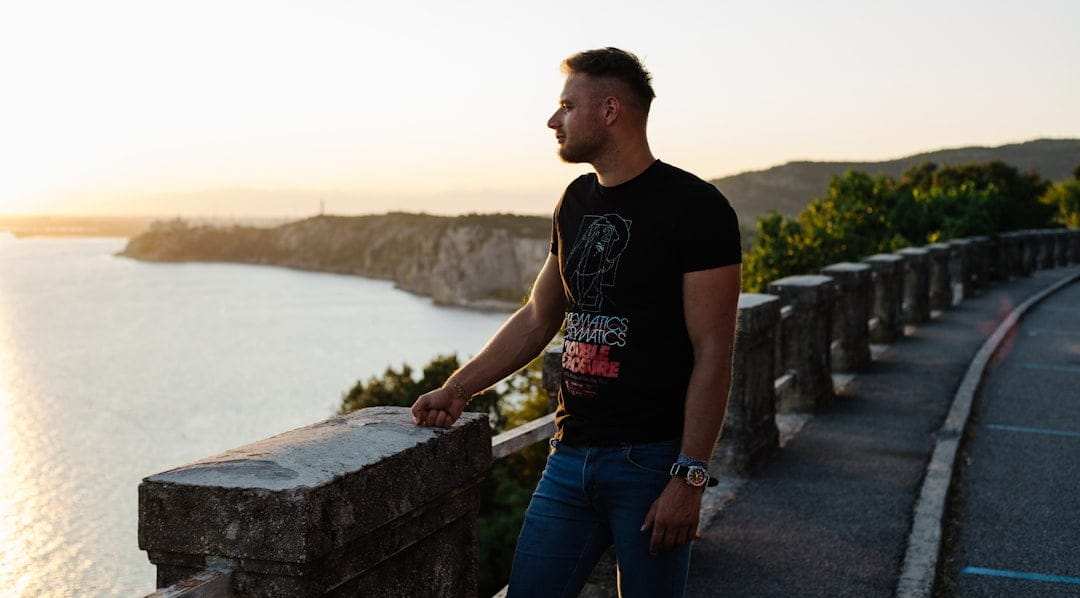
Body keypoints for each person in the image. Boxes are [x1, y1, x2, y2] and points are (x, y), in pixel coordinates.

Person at [411, 47, 741, 597]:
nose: (552, 119)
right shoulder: (575, 200)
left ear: (610, 111)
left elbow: (714, 353)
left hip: (650, 458)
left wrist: (689, 477)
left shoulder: (697, 208)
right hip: (570, 455)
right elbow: (541, 315)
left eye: (566, 105)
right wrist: (458, 387)